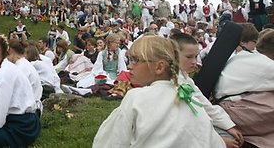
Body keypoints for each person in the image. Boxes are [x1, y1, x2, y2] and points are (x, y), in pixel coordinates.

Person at [93, 36, 225, 147]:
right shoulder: (187, 96)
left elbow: (108, 142)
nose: (129, 66)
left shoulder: (136, 97)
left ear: (159, 67)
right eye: (130, 60)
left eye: (136, 60)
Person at [171, 33, 244, 148]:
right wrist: (217, 141)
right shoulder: (170, 83)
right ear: (172, 55)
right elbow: (186, 124)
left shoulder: (186, 79)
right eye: (189, 57)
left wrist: (228, 126)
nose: (195, 62)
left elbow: (205, 105)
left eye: (196, 56)